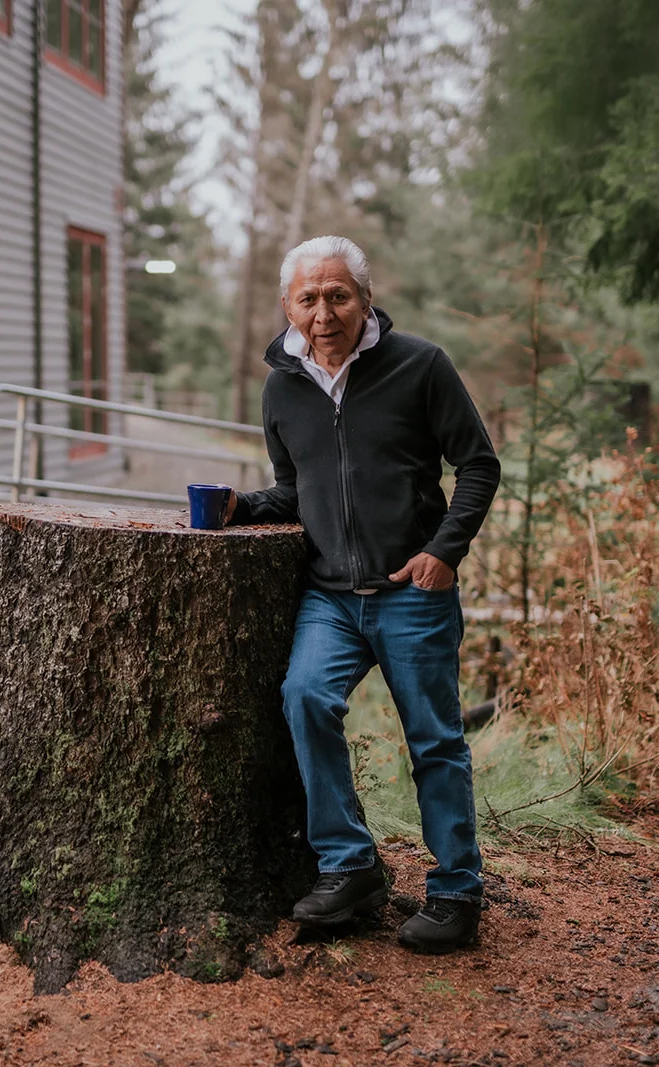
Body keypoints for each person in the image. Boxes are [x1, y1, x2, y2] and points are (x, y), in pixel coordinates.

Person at [225, 235, 500, 954]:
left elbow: (478, 463)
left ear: (365, 299)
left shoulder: (420, 366)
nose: (324, 312)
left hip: (411, 589)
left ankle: (457, 892)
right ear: (288, 305)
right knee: (304, 698)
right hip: (331, 597)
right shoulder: (282, 385)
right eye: (308, 298)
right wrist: (244, 505)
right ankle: (349, 867)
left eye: (338, 294)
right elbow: (298, 487)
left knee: (435, 740)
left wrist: (444, 551)